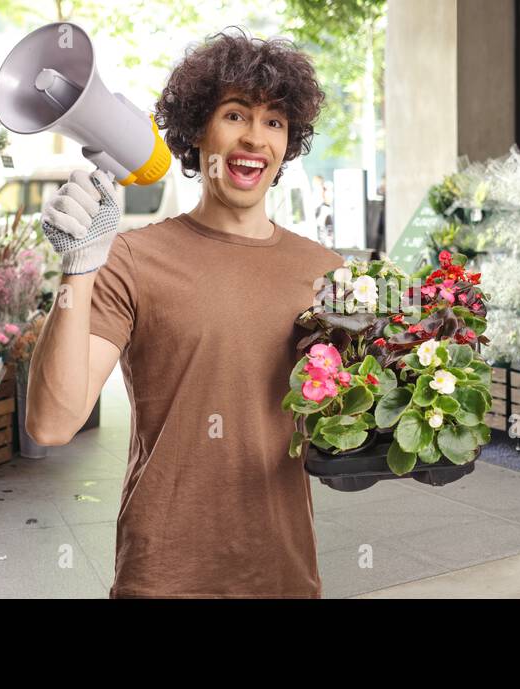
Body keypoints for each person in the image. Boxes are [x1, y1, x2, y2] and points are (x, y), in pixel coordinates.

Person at [26, 29, 343, 598]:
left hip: (284, 576)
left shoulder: (325, 271)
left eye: (274, 122)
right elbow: (53, 422)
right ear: (198, 130)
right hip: (164, 577)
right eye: (235, 115)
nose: (255, 138)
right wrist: (77, 270)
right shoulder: (132, 258)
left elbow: (348, 427)